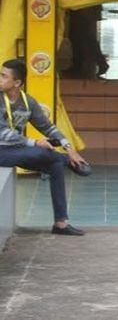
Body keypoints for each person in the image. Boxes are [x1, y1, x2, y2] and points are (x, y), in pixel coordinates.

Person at [0, 59, 92, 236]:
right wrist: (35, 142)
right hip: (2, 150)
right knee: (45, 152)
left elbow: (48, 127)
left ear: (17, 82)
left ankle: (60, 224)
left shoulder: (28, 102)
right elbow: (2, 133)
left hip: (16, 151)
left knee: (54, 165)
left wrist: (69, 148)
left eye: (3, 76)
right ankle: (66, 161)